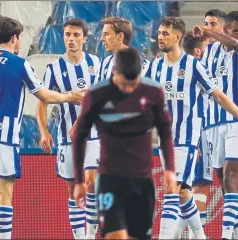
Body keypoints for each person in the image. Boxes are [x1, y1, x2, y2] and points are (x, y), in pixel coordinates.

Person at [0, 16, 82, 240]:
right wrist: (70, 96)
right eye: (20, 38)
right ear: (14, 38)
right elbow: (44, 95)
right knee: (4, 191)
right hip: (5, 135)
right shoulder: (19, 64)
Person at [146, 16, 238, 239]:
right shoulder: (155, 67)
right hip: (167, 140)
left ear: (177, 37)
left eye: (165, 33)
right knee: (185, 194)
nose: (160, 37)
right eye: (159, 33)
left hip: (188, 139)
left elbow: (220, 96)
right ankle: (201, 235)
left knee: (173, 190)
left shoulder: (193, 66)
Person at [72, 47, 176, 240]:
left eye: (133, 84)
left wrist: (169, 168)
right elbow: (79, 137)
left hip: (142, 182)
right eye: (124, 84)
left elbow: (165, 130)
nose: (129, 89)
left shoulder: (153, 92)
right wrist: (78, 180)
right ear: (114, 72)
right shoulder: (97, 95)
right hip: (110, 179)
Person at [193, 11, 238, 239]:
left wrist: (208, 31)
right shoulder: (207, 53)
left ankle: (226, 235)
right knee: (226, 181)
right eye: (236, 31)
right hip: (212, 124)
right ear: (226, 29)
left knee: (231, 176)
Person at [36, 18, 101, 239]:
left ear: (85, 38)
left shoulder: (96, 64)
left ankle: (91, 236)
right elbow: (42, 103)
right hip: (66, 138)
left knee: (91, 184)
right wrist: (44, 131)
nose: (71, 39)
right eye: (67, 35)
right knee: (74, 192)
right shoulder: (53, 69)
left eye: (75, 35)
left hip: (93, 135)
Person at [182, 31, 212, 231]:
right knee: (199, 185)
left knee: (184, 188)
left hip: (180, 135)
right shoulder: (198, 68)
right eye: (208, 46)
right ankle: (195, 235)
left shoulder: (171, 66)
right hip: (198, 132)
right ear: (199, 51)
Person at [98, 17, 149, 82]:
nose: (102, 39)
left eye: (106, 34)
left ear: (120, 36)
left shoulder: (144, 65)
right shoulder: (105, 62)